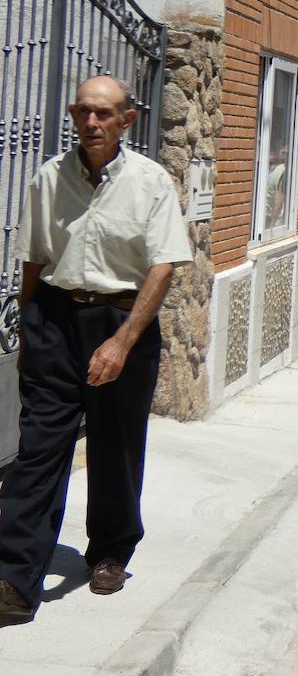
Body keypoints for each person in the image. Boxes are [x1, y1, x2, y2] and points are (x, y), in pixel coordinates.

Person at [0, 76, 192, 622]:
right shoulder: (49, 178)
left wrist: (123, 340)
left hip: (121, 319)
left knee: (116, 446)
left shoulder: (150, 182)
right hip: (55, 318)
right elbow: (33, 260)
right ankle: (15, 575)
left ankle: (111, 550)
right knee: (39, 447)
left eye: (104, 114)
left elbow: (164, 266)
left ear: (126, 120)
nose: (91, 123)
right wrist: (29, 336)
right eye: (83, 112)